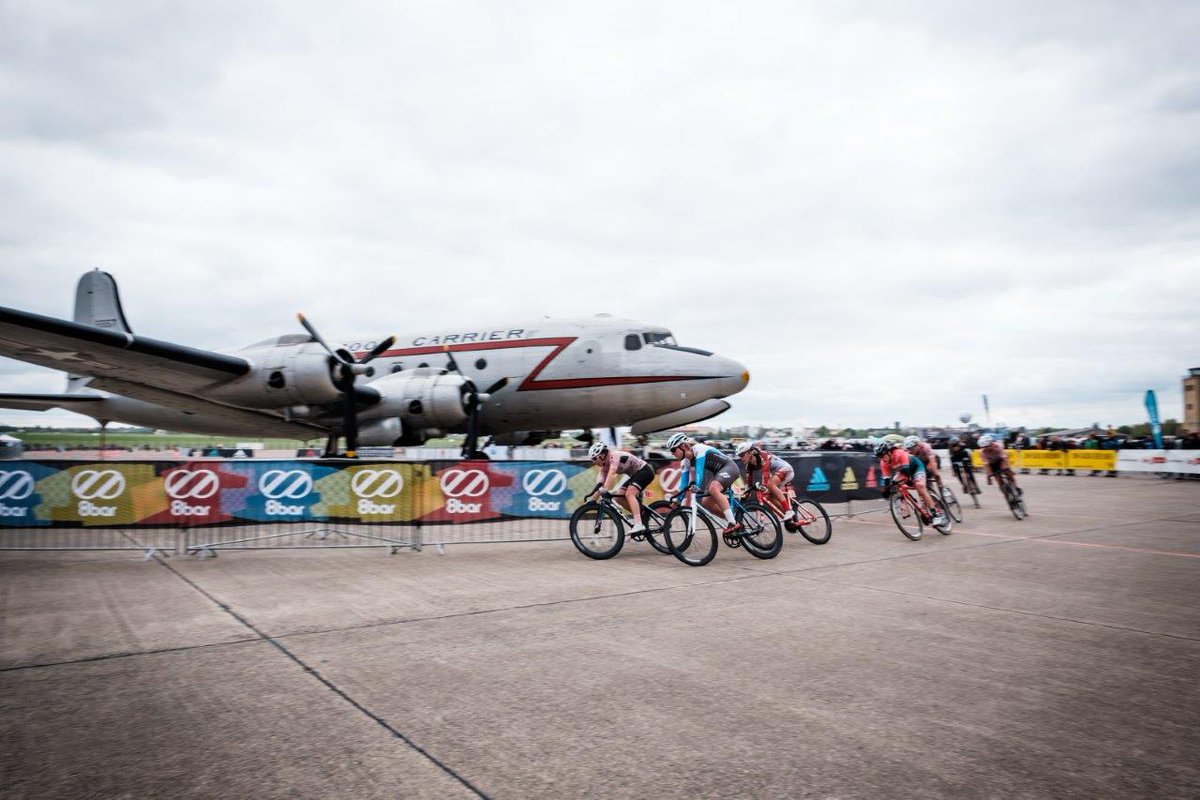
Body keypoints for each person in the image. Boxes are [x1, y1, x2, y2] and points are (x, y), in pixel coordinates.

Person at [666, 433, 743, 535]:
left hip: (730, 467)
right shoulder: (685, 462)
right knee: (706, 502)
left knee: (713, 488)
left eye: (673, 450)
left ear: (683, 446)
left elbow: (699, 472)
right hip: (718, 473)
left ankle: (732, 523)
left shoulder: (699, 449)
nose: (672, 453)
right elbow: (684, 483)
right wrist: (678, 500)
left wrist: (697, 485)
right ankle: (734, 520)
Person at [589, 442, 655, 534]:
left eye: (594, 458)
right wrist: (593, 499)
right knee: (618, 497)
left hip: (645, 471)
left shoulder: (614, 456)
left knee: (629, 494)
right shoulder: (604, 466)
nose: (594, 461)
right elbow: (600, 485)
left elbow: (611, 473)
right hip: (635, 475)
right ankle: (642, 514)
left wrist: (605, 490)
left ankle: (638, 523)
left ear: (602, 455)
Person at [875, 439, 945, 526]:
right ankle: (914, 505)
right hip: (903, 470)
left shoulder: (899, 453)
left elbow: (906, 470)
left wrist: (909, 481)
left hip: (916, 467)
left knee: (919, 486)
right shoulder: (883, 463)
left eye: (882, 455)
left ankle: (936, 515)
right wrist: (886, 490)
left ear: (889, 452)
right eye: (879, 457)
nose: (881, 459)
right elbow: (886, 479)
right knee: (895, 483)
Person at [736, 441, 796, 521]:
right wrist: (746, 495)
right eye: (739, 456)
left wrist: (763, 486)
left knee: (770, 485)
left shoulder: (762, 456)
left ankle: (788, 511)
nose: (741, 458)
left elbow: (765, 474)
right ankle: (789, 518)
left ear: (749, 453)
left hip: (787, 469)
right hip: (777, 473)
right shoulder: (749, 466)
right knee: (769, 497)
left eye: (742, 455)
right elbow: (749, 483)